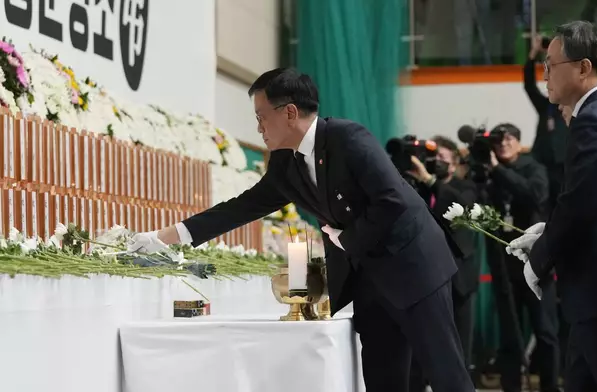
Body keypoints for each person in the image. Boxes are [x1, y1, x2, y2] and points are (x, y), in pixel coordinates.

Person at [128, 68, 476, 392]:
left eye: (261, 117)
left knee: (445, 374)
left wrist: (345, 239)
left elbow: (393, 202)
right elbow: (239, 208)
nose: (259, 128)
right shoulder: (286, 163)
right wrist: (163, 238)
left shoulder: (347, 138)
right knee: (383, 377)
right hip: (369, 275)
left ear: (289, 112)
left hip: (413, 266)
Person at [507, 21, 597, 392]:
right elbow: (595, 199)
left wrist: (539, 260)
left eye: (551, 64)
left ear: (583, 68)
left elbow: (580, 206)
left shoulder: (595, 120)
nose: (545, 74)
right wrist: (546, 231)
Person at [485, 124, 560, 392]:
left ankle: (550, 387)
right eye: (498, 140)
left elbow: (534, 195)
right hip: (505, 268)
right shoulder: (487, 173)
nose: (503, 144)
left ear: (518, 142)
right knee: (509, 337)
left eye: (509, 139)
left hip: (535, 266)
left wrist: (498, 171)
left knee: (546, 334)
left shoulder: (533, 167)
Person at [406, 136, 479, 388]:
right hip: (425, 280)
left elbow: (462, 208)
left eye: (442, 159)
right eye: (433, 158)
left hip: (460, 281)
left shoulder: (465, 186)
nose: (436, 163)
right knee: (421, 348)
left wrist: (431, 180)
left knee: (459, 348)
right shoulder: (418, 187)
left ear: (454, 163)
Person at [524, 35, 568, 216]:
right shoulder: (545, 106)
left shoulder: (570, 106)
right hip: (541, 163)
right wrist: (533, 54)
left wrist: (558, 55)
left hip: (564, 165)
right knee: (542, 209)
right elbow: (529, 86)